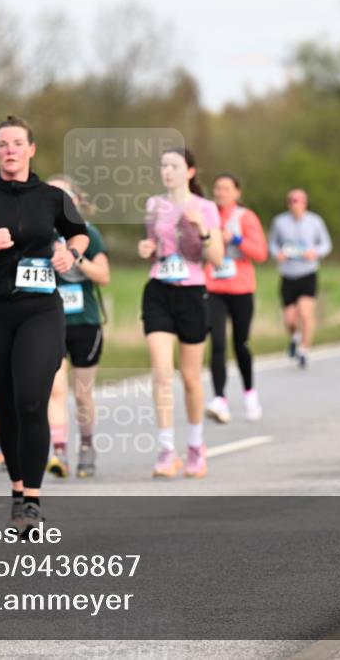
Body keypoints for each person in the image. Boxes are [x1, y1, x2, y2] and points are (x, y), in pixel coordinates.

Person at [0, 115, 88, 532]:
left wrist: (70, 255)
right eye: (3, 144)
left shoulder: (51, 197)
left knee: (30, 400)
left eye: (17, 143)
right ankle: (17, 488)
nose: (10, 150)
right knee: (5, 406)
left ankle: (33, 501)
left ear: (31, 149)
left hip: (40, 309)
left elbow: (78, 233)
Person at [138, 148, 224, 478]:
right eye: (163, 166)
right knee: (161, 372)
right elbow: (153, 246)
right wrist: (147, 250)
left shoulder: (206, 208)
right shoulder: (153, 205)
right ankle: (165, 450)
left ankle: (196, 447)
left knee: (189, 377)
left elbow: (215, 257)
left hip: (192, 292)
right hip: (158, 290)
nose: (167, 171)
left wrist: (202, 229)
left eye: (174, 166)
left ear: (190, 171)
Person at [45, 175, 110, 478]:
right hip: (49, 320)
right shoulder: (38, 234)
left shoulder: (89, 234)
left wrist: (74, 256)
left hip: (85, 321)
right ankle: (59, 450)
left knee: (82, 393)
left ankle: (86, 446)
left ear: (75, 202)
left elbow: (103, 276)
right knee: (55, 388)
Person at [204, 173, 268, 423]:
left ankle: (249, 392)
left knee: (241, 343)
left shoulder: (245, 217)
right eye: (218, 188)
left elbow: (261, 253)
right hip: (214, 288)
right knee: (217, 343)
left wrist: (237, 239)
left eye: (226, 188)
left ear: (237, 192)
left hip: (241, 288)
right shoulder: (208, 215)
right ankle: (219, 398)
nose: (221, 193)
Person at [267, 189, 332, 369]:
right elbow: (272, 243)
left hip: (307, 272)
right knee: (290, 319)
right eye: (291, 201)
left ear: (305, 203)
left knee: (305, 313)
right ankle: (295, 336)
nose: (294, 204)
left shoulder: (315, 221)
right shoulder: (280, 222)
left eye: (298, 201)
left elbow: (326, 244)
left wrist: (316, 253)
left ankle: (304, 350)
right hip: (288, 273)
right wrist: (276, 253)